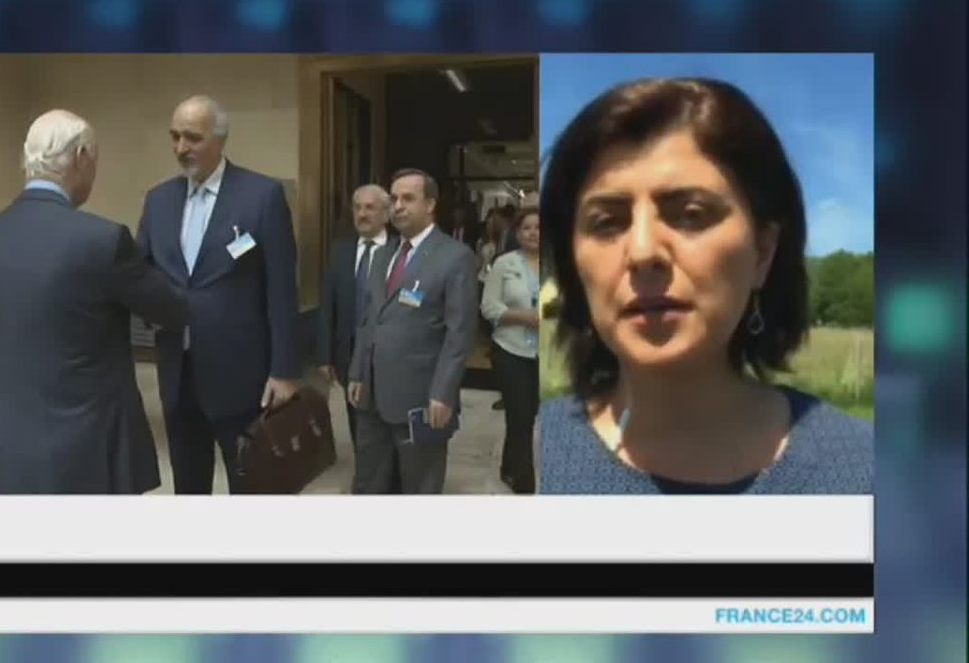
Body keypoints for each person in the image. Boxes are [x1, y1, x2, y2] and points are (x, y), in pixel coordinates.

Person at [539, 78, 872, 494]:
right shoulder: (538, 453)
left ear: (762, 252)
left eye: (691, 215)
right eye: (607, 222)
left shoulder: (865, 471)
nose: (642, 251)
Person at [0, 109, 187, 494]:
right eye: (95, 161)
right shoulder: (103, 241)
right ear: (81, 157)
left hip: (0, 456)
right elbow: (172, 310)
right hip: (89, 455)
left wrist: (13, 379)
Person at [136, 95, 300, 495]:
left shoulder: (261, 196)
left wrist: (284, 370)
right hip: (178, 375)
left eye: (193, 137)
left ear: (220, 138)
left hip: (243, 379)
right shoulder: (158, 200)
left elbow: (282, 289)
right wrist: (148, 311)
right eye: (175, 137)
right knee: (189, 489)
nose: (181, 148)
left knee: (251, 488)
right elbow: (141, 275)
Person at [348, 168, 478, 494]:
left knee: (420, 485)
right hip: (372, 396)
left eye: (408, 198)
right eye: (394, 199)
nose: (398, 206)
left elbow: (459, 334)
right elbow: (369, 320)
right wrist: (358, 372)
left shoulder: (454, 257)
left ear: (430, 204)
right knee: (369, 484)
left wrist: (443, 392)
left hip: (421, 399)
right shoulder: (383, 255)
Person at [315, 185, 403, 493]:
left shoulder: (400, 250)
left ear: (387, 214)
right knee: (357, 420)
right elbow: (328, 304)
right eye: (357, 207)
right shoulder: (341, 250)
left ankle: (390, 481)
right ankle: (367, 476)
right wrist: (324, 355)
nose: (362, 214)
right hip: (348, 353)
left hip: (389, 355)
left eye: (369, 207)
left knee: (388, 420)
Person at [480, 197, 541, 494]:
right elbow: (488, 307)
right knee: (520, 415)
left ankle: (508, 466)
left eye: (539, 228)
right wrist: (522, 317)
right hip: (510, 350)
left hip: (545, 353)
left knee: (527, 414)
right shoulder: (504, 264)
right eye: (527, 228)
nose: (533, 233)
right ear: (517, 233)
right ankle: (524, 485)